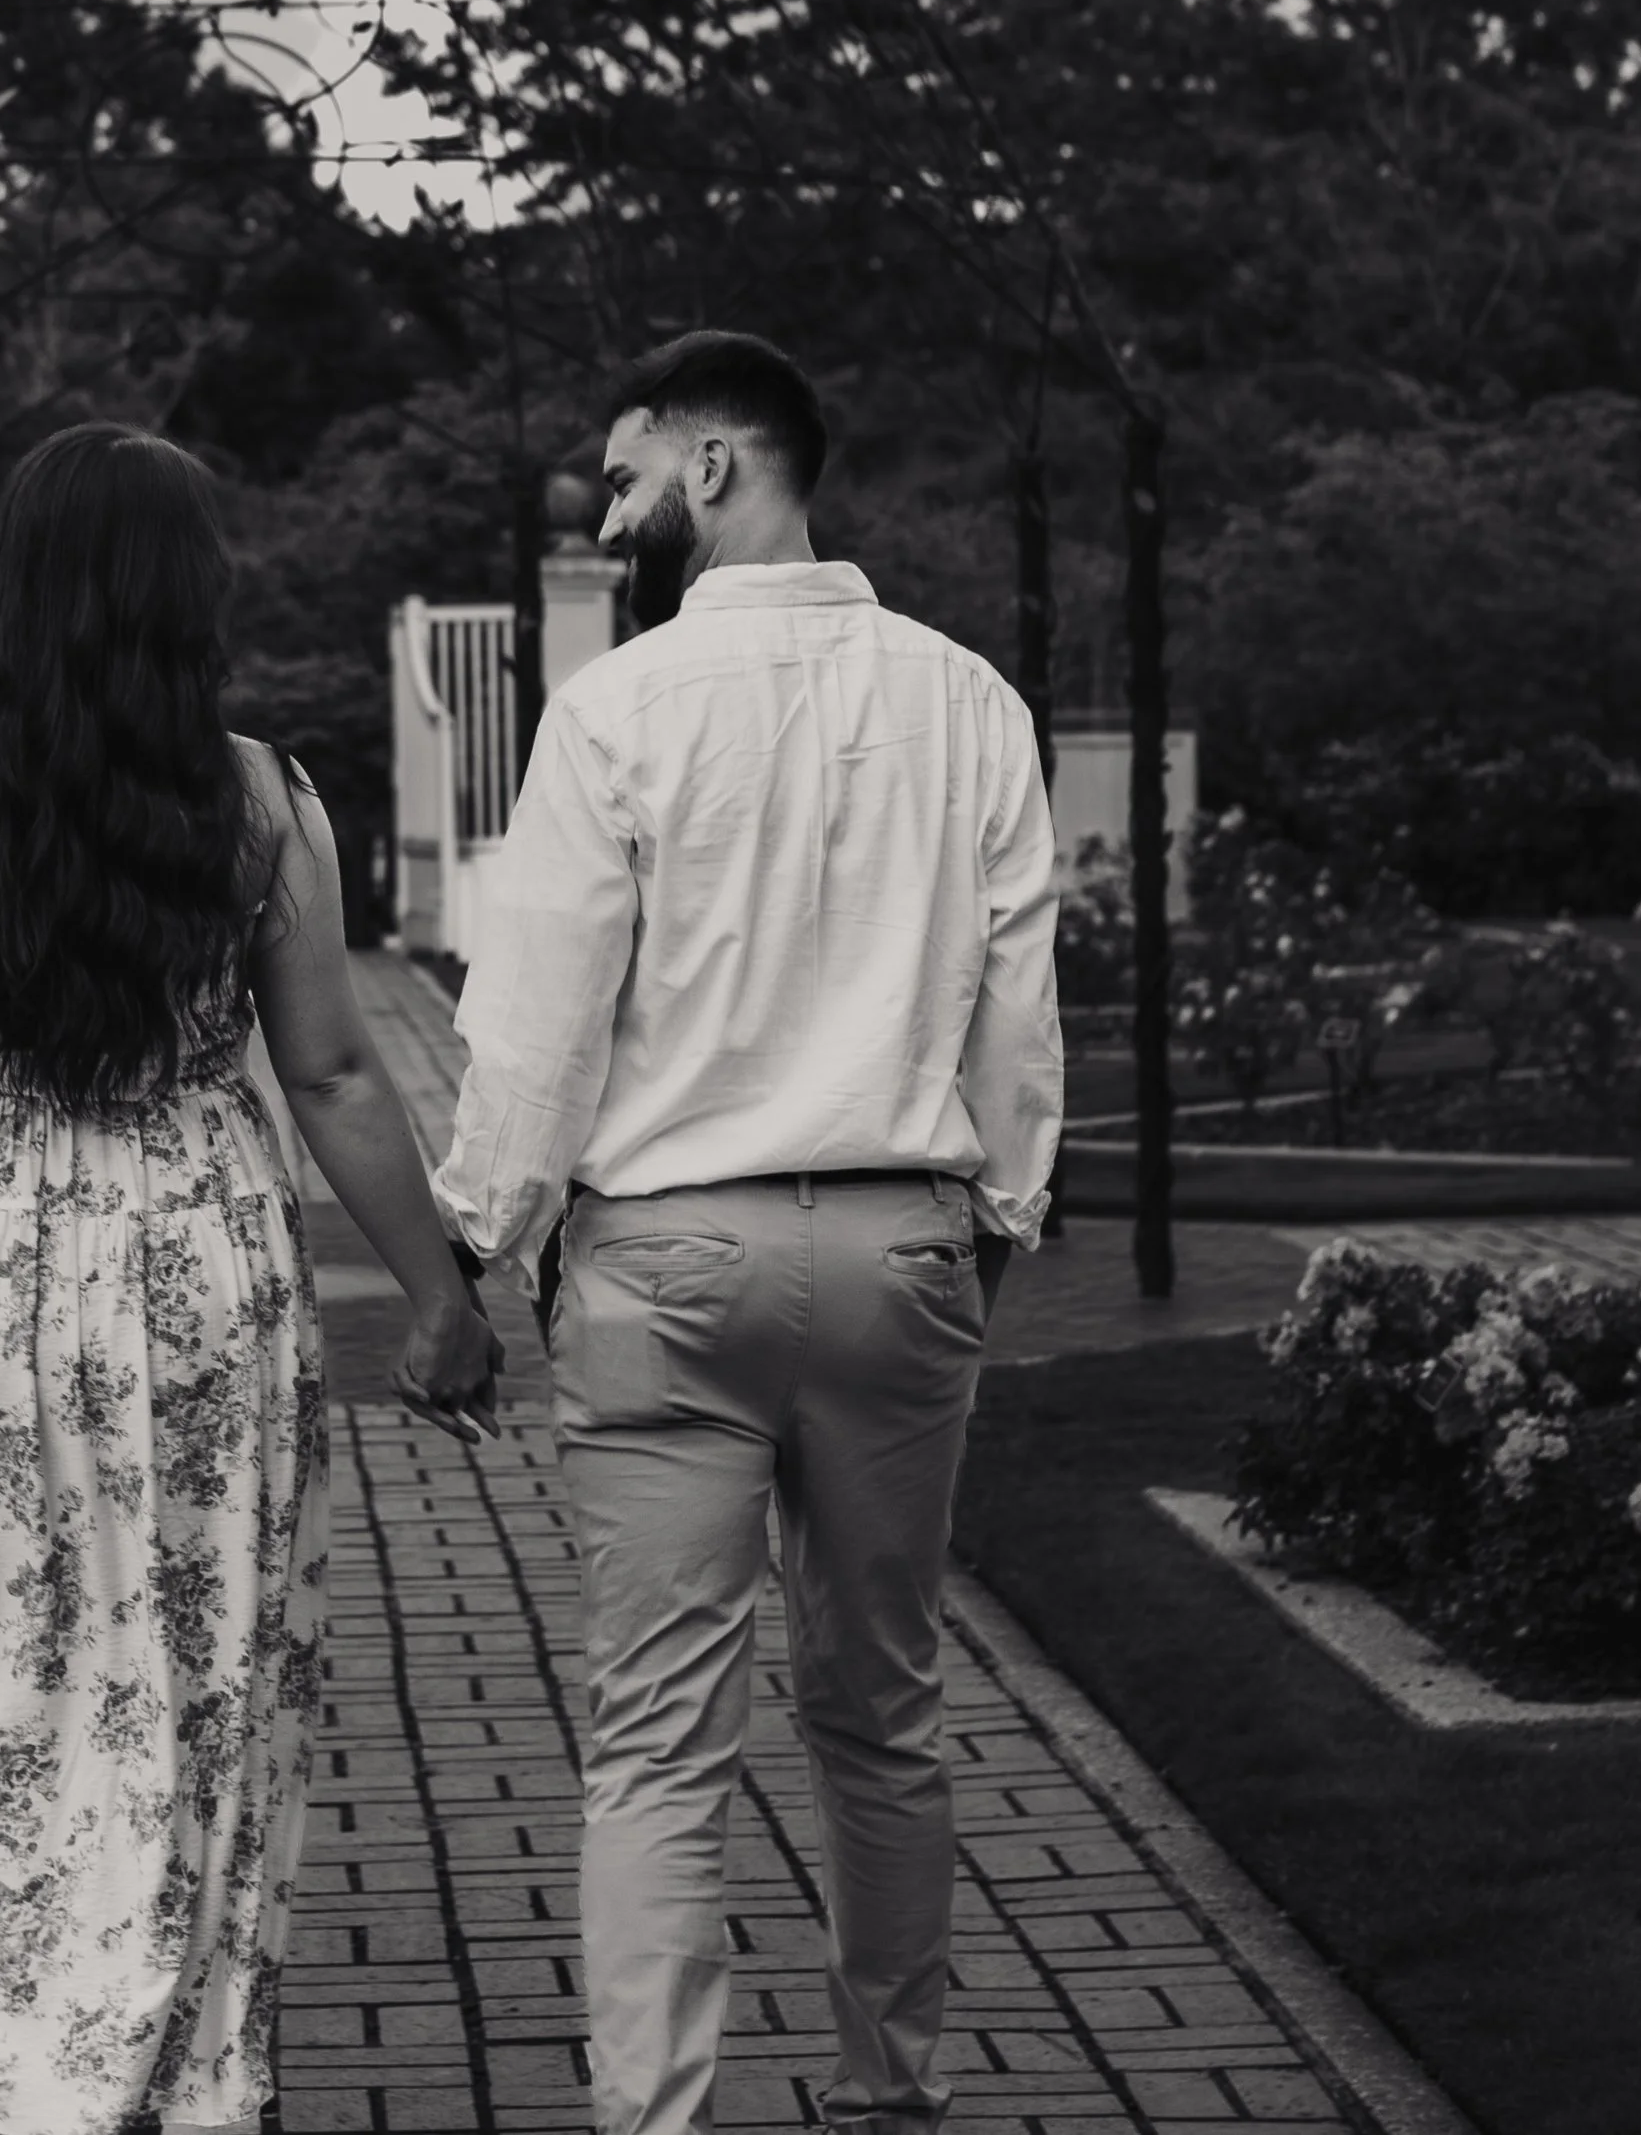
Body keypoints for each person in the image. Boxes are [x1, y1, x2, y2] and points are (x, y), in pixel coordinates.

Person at [0, 423, 502, 2135]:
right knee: (197, 1685)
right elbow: (333, 1075)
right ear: (186, 601)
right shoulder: (255, 797)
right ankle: (178, 2077)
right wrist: (441, 1297)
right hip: (198, 1281)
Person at [433, 331, 1061, 2135]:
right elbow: (1017, 1025)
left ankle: (658, 2123)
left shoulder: (619, 709)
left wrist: (476, 1246)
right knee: (884, 1708)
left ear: (716, 466)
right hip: (900, 1251)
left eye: (626, 476)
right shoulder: (972, 700)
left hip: (666, 1266)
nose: (611, 509)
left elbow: (541, 1023)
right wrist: (990, 1222)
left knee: (655, 1741)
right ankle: (894, 2094)